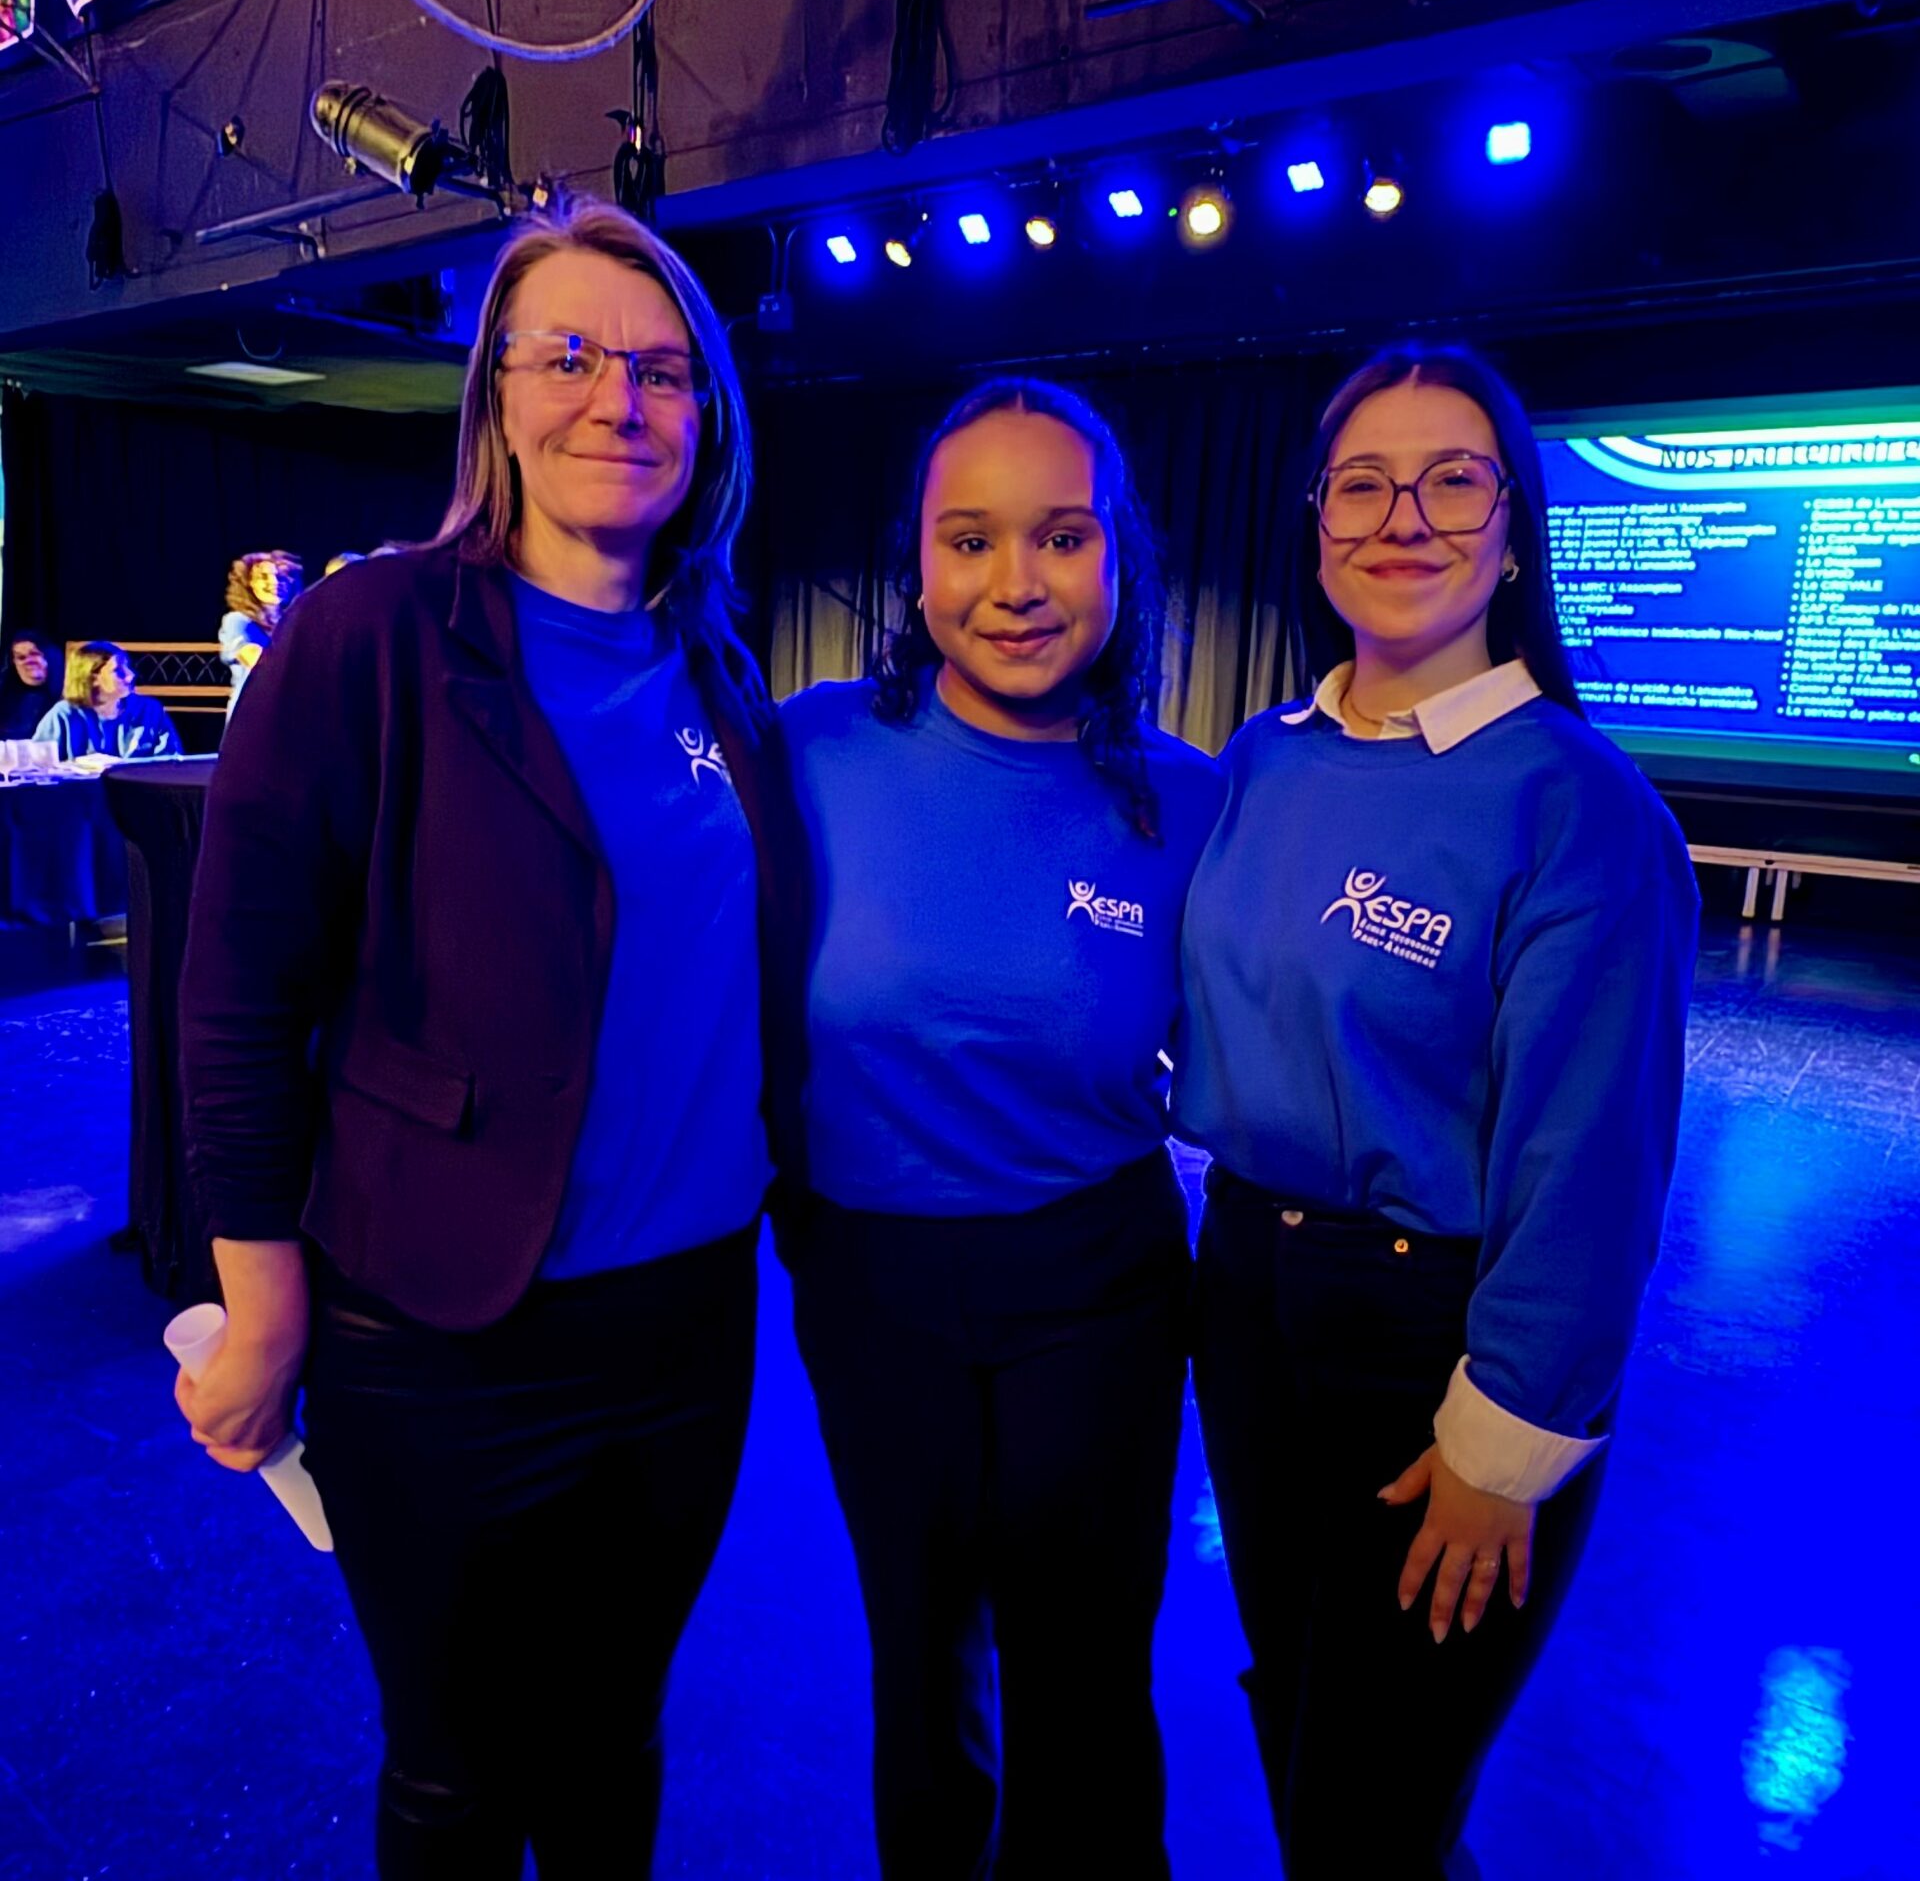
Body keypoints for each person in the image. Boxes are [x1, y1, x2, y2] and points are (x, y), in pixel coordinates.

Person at [174, 197, 805, 1880]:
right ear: (498, 396)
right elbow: (237, 996)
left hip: (685, 1333)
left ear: (709, 414)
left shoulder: (717, 669)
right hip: (440, 1334)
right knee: (455, 1777)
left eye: (664, 370)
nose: (619, 400)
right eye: (574, 357)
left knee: (615, 1742)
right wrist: (260, 1314)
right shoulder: (368, 636)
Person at [1174, 345, 1699, 1879]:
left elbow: (1591, 1177)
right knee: (1303, 1716)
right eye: (1362, 481)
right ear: (1316, 521)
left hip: (1433, 1338)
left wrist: (1503, 1443)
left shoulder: (1579, 808)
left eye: (1452, 477)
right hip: (1248, 1289)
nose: (1403, 515)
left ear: (1514, 529)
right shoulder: (1265, 760)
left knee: (1381, 1782)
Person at [779, 378, 1224, 1880]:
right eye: (969, 541)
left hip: (1093, 1282)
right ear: (917, 569)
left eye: (1061, 538)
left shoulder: (1192, 805)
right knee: (919, 1659)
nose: (1014, 586)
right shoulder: (810, 753)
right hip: (868, 1281)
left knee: (1084, 1677)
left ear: (1119, 561)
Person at [34, 642, 183, 759]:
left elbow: (170, 762)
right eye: (118, 670)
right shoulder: (63, 715)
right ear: (92, 677)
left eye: (128, 667)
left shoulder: (150, 710)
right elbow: (40, 768)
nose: (130, 675)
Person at [219, 550, 302, 716]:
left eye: (281, 576)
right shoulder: (237, 621)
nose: (274, 582)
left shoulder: (294, 621)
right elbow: (256, 660)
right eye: (263, 577)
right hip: (253, 712)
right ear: (249, 584)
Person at [0, 628, 60, 738]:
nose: (29, 661)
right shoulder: (5, 697)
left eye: (34, 654)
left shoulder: (64, 702)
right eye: (21, 657)